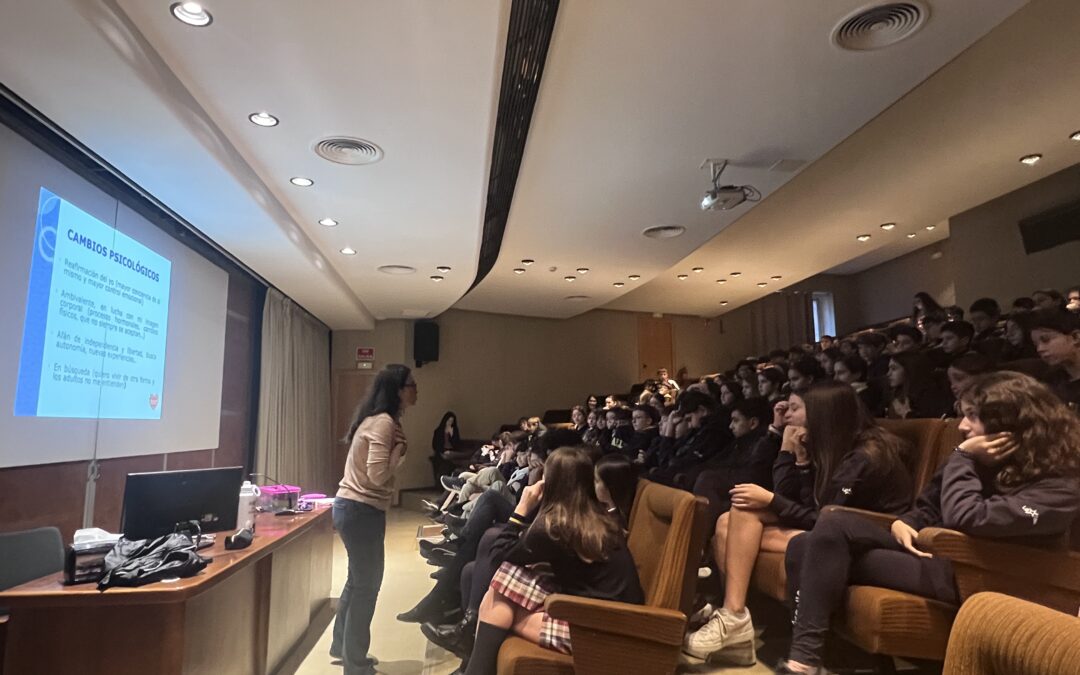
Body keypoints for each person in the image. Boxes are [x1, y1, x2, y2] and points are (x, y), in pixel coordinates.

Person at [777, 372, 1080, 675]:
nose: (962, 426)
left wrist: (962, 457)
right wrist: (904, 523)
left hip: (983, 575)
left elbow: (968, 516)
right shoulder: (974, 459)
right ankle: (816, 660)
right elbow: (927, 507)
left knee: (817, 549)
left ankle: (806, 663)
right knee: (812, 538)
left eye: (972, 417)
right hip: (938, 557)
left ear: (1007, 424)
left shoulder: (1059, 485)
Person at [683, 381, 911, 666]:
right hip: (832, 528)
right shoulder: (828, 444)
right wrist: (791, 455)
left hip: (868, 539)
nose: (788, 415)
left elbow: (828, 518)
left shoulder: (865, 456)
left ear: (823, 414)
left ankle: (734, 619)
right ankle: (734, 617)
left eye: (796, 408)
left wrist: (772, 499)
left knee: (736, 533)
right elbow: (804, 501)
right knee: (730, 520)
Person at [461, 448, 644, 675]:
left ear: (550, 483)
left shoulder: (558, 526)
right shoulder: (595, 516)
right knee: (504, 582)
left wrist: (522, 507)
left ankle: (472, 666)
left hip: (602, 628)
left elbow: (499, 553)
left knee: (498, 603)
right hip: (612, 617)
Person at [332, 364, 417, 675]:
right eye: (411, 384)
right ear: (398, 390)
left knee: (357, 581)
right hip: (361, 511)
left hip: (352, 508)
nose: (416, 390)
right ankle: (356, 665)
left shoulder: (377, 420)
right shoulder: (383, 423)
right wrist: (400, 451)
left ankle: (341, 646)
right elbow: (378, 475)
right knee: (367, 586)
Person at [1029, 308, 1080, 408]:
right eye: (1035, 344)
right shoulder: (1051, 380)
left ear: (1075, 337)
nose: (1039, 349)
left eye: (1046, 340)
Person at [883, 351, 953, 419]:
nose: (888, 374)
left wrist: (906, 413)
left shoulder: (929, 395)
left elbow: (929, 424)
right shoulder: (895, 393)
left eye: (894, 369)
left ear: (909, 369)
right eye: (889, 369)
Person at [431, 411, 462, 487]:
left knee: (451, 459)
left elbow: (457, 444)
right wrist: (443, 451)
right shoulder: (438, 431)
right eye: (449, 421)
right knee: (445, 462)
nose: (450, 423)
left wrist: (452, 434)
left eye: (452, 421)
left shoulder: (455, 431)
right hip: (441, 452)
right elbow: (435, 445)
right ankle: (442, 483)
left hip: (452, 451)